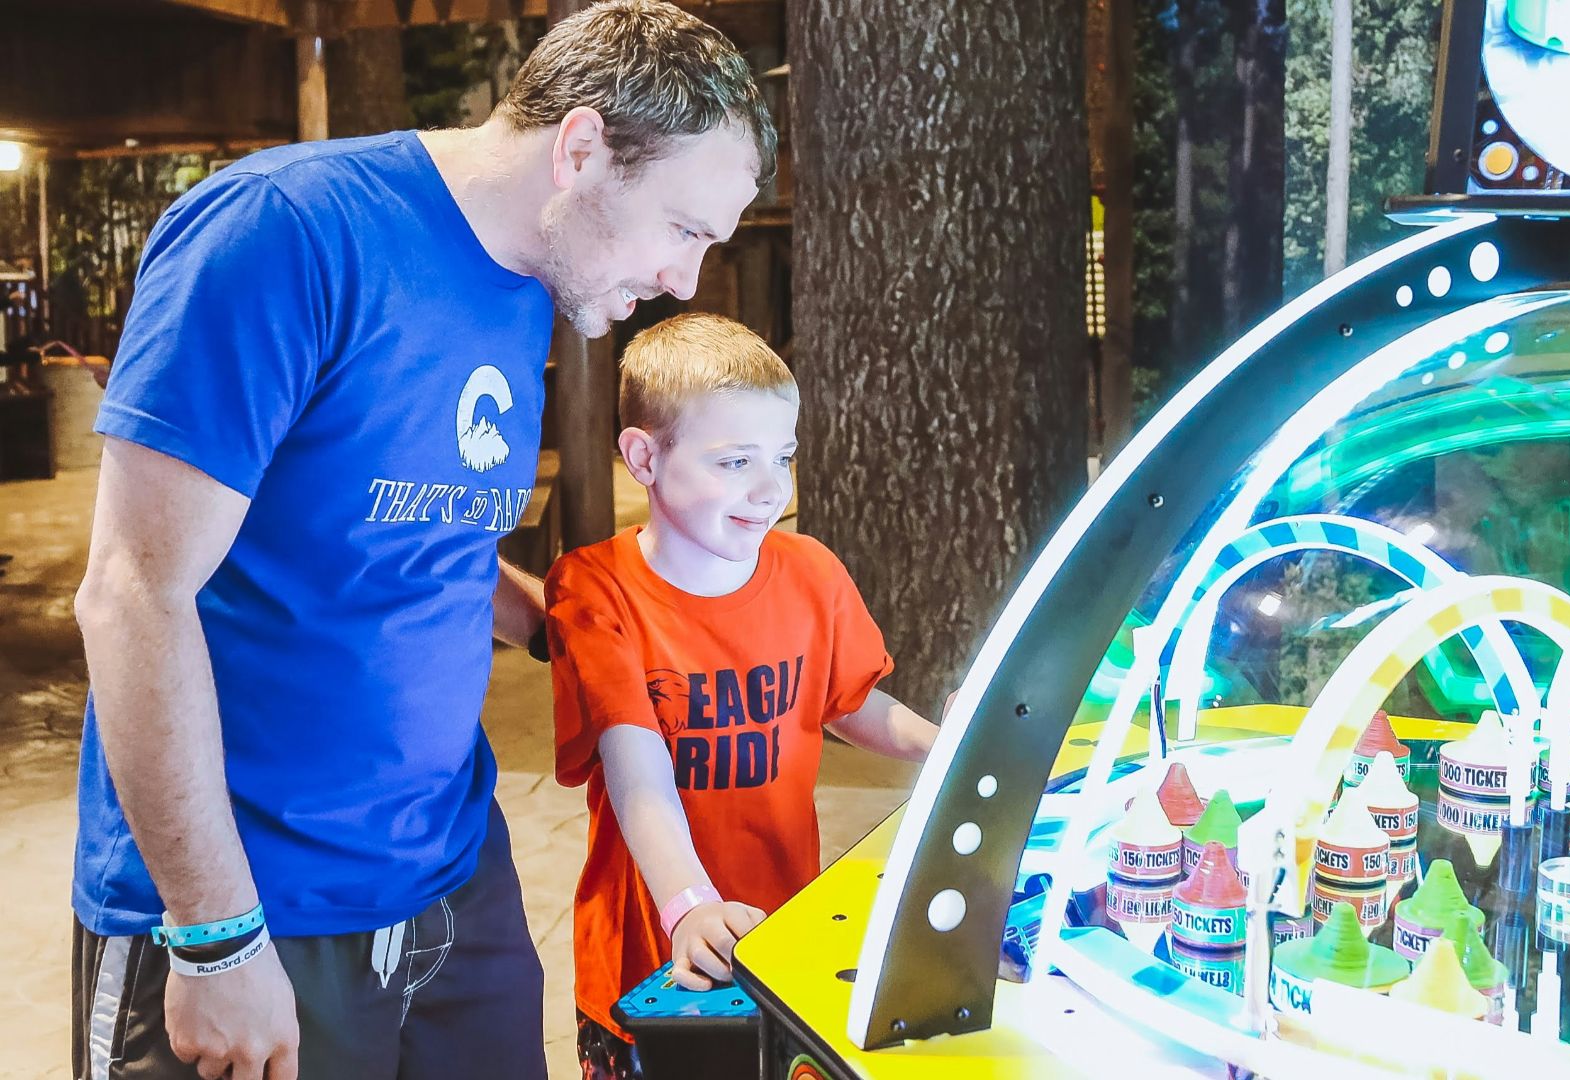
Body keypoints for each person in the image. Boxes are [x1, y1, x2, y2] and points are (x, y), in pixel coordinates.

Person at [68, 5, 775, 1079]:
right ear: (579, 150)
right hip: (254, 906)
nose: (685, 279)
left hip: (453, 886)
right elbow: (132, 591)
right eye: (684, 229)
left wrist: (562, 624)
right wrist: (212, 932)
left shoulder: (530, 286)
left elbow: (412, 521)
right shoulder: (283, 235)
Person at [545, 314, 940, 1079]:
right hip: (652, 951)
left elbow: (847, 699)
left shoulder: (811, 571)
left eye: (783, 457)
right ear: (644, 457)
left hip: (783, 927)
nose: (769, 489)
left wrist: (938, 743)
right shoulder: (595, 588)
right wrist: (688, 902)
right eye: (734, 462)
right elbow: (634, 761)